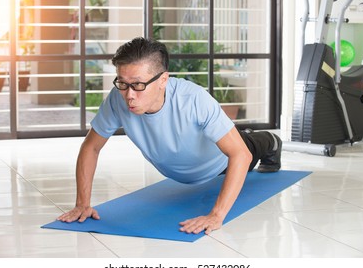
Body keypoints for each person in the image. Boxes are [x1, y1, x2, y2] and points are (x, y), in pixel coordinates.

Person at [58, 37, 282, 235]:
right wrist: (82, 204)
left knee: (249, 145)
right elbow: (91, 147)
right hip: (182, 171)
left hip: (218, 164)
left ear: (163, 80)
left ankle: (272, 141)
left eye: (138, 84)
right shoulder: (118, 99)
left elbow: (240, 155)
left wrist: (216, 215)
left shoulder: (193, 99)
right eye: (122, 84)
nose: (129, 95)